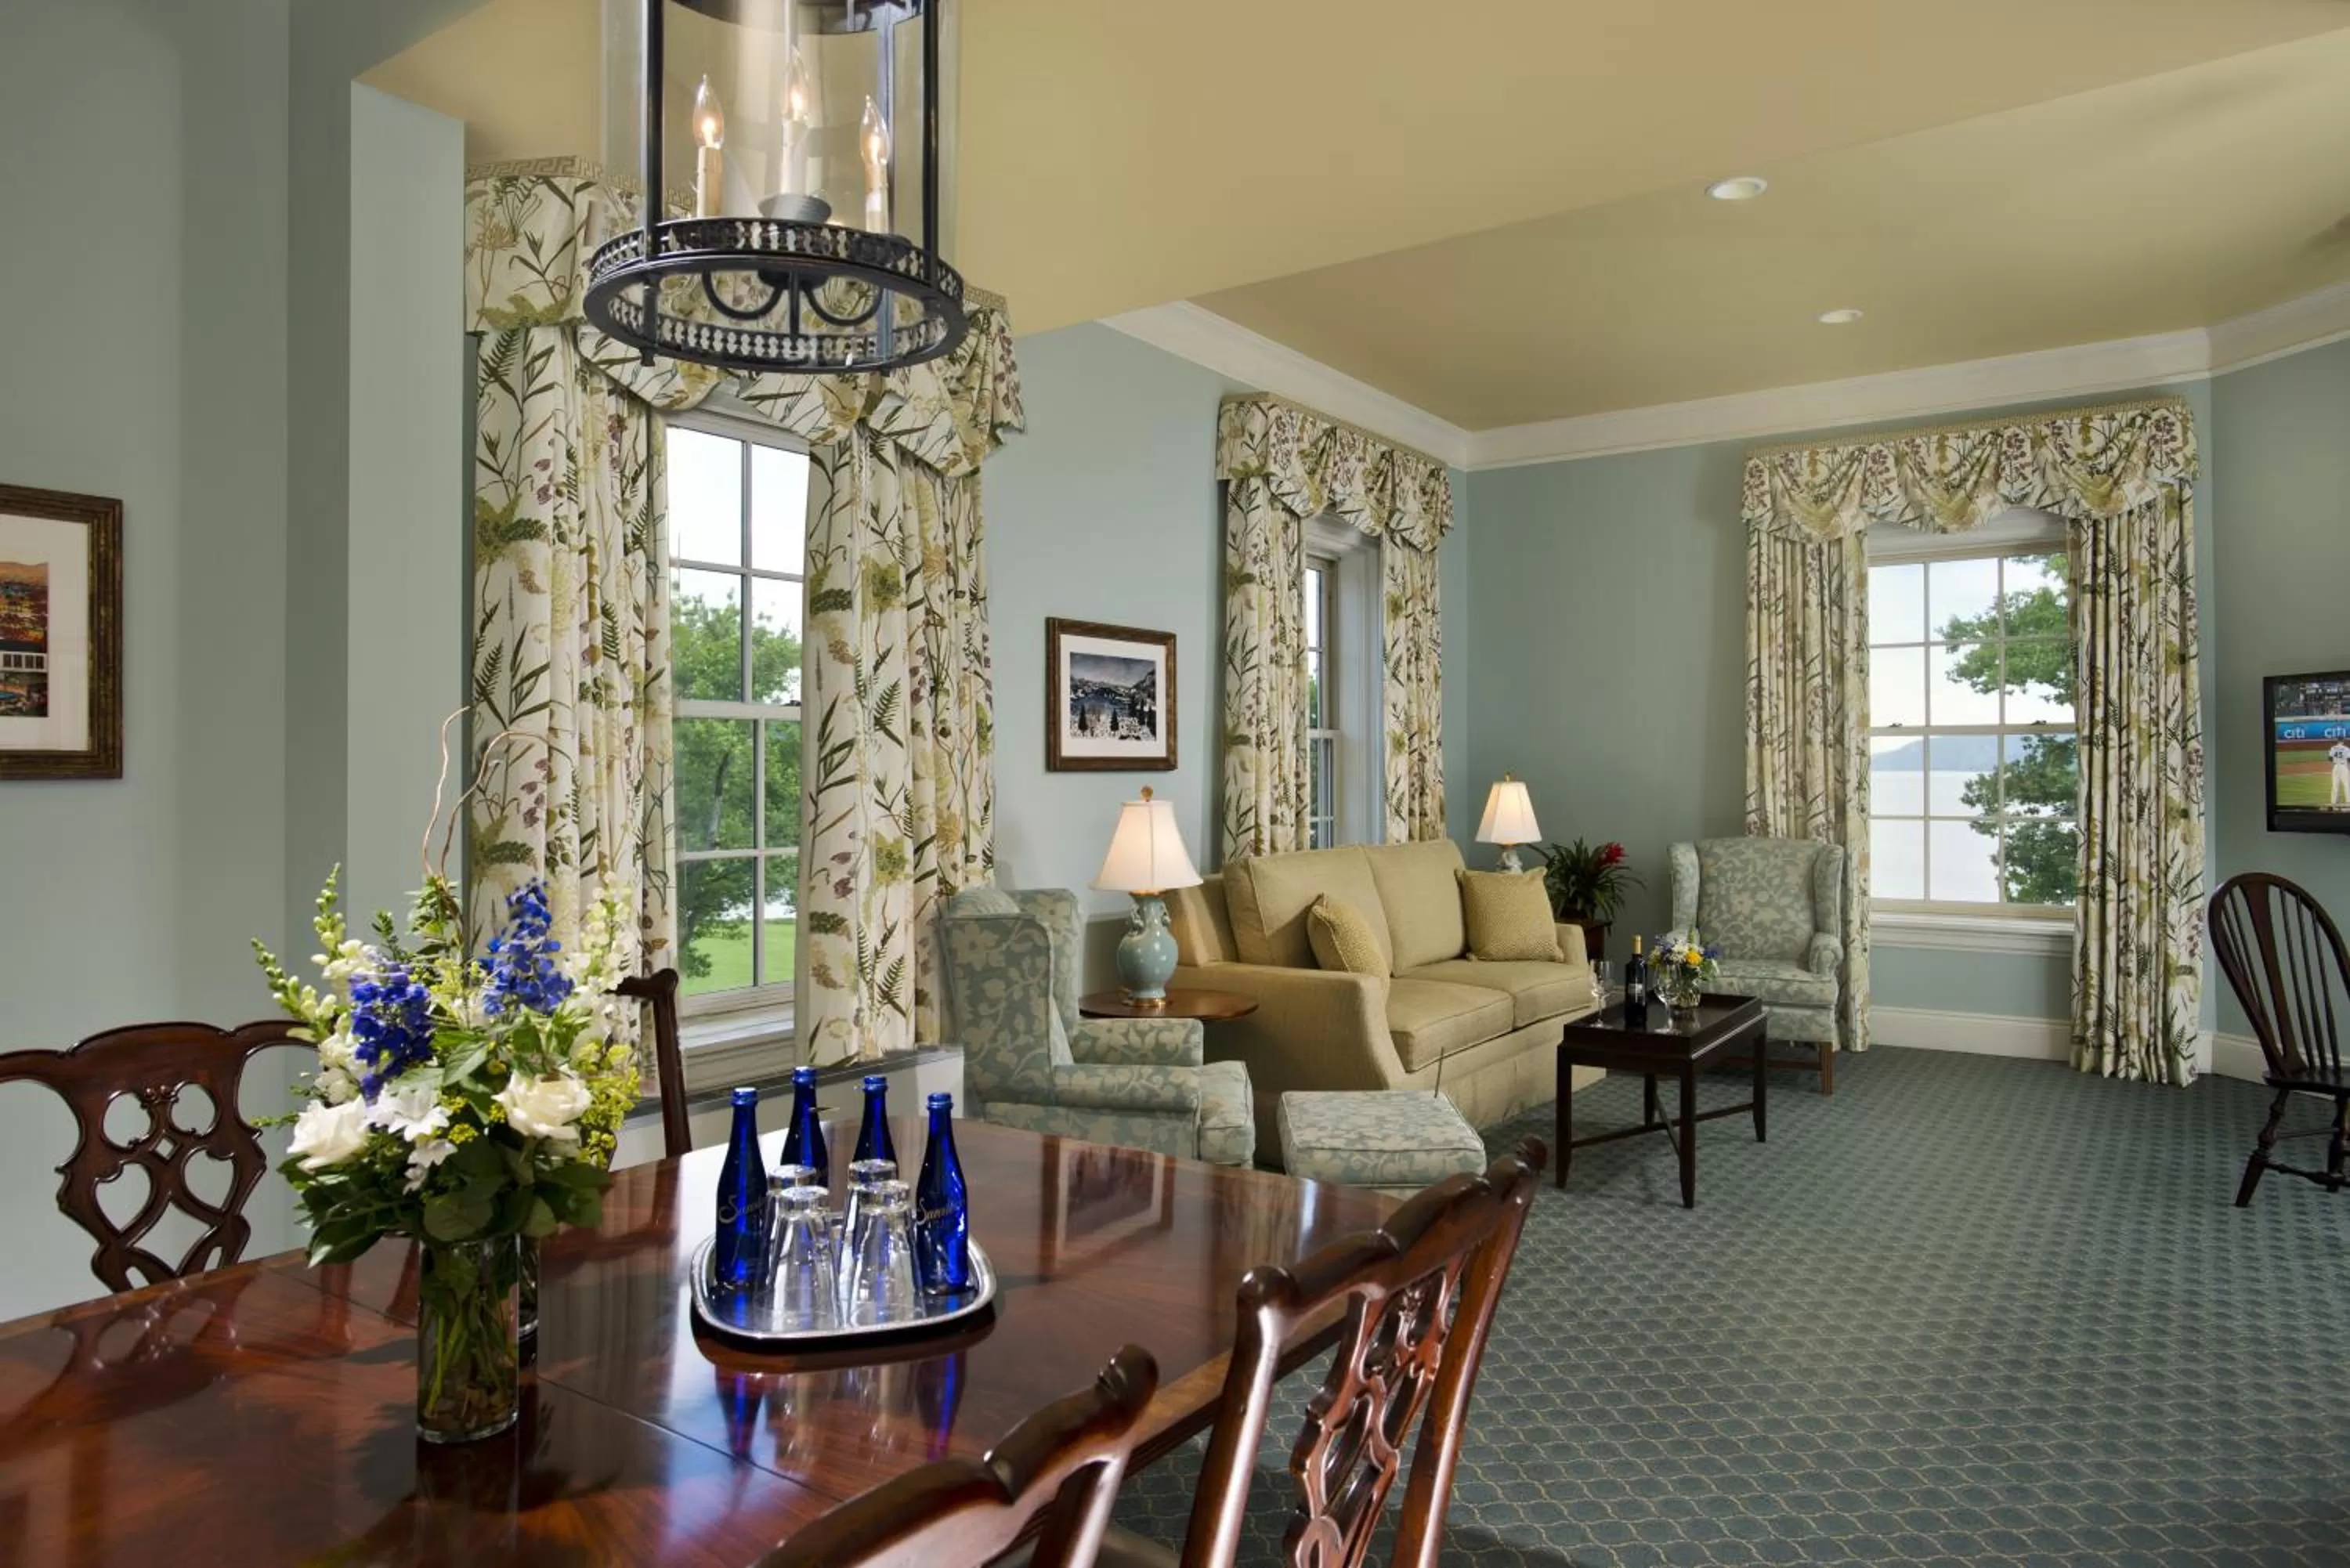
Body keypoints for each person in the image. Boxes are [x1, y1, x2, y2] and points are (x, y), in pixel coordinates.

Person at [2330, 738, 2350, 807]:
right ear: (2343, 741)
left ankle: (2334, 801)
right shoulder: (2346, 749)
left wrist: (2336, 760)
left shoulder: (2333, 748)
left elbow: (2330, 758)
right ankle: (2348, 801)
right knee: (2346, 785)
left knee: (2335, 785)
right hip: (2343, 767)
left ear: (2337, 741)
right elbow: (2349, 759)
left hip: (2336, 767)